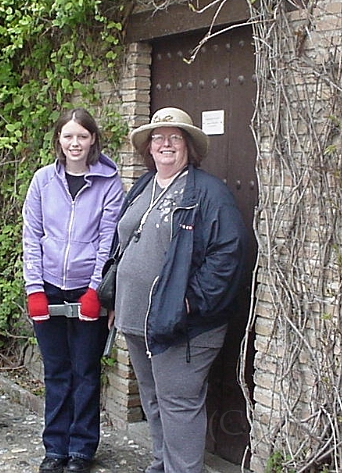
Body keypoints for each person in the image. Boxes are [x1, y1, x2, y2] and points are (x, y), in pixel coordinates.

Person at [109, 106, 250, 473]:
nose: (166, 143)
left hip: (183, 325)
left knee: (179, 404)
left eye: (175, 137)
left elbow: (229, 253)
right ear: (149, 147)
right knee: (154, 399)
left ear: (189, 146)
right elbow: (124, 242)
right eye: (158, 137)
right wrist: (114, 297)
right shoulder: (144, 184)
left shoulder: (207, 192)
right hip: (136, 318)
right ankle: (162, 464)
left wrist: (189, 303)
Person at [22, 107, 125, 473]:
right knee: (56, 371)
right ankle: (55, 447)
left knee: (85, 370)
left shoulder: (110, 184)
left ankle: (81, 448)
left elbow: (107, 240)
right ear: (59, 141)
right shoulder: (42, 182)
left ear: (93, 139)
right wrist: (35, 289)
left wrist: (95, 290)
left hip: (86, 290)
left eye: (82, 136)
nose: (75, 143)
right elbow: (32, 237)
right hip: (49, 287)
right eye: (68, 136)